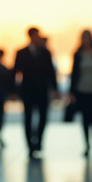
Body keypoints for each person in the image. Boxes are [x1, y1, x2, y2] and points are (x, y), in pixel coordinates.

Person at [12, 27, 59, 158]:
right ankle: (29, 145)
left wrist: (55, 89)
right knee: (27, 117)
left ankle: (39, 140)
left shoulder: (45, 52)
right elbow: (15, 72)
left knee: (43, 116)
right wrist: (13, 91)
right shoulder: (21, 53)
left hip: (42, 90)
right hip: (28, 90)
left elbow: (51, 72)